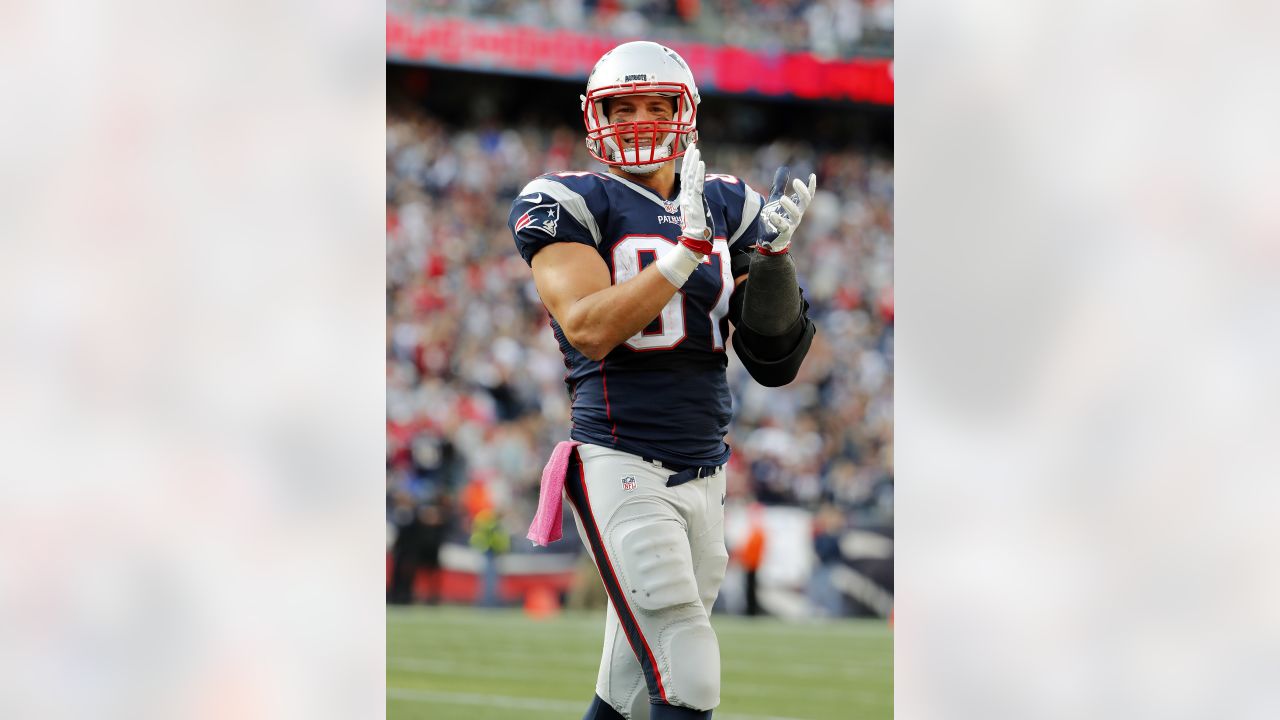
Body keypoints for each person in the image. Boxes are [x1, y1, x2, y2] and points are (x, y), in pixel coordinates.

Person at [512, 41, 818, 720]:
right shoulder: (568, 200)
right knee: (689, 663)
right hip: (621, 459)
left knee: (623, 696)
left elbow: (775, 360)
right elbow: (589, 325)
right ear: (597, 117)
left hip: (707, 469)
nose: (644, 120)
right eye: (626, 107)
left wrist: (771, 262)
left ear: (686, 113)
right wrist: (685, 256)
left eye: (659, 104)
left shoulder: (729, 202)